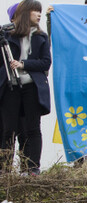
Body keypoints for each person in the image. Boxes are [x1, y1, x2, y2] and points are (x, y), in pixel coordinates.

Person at [0, 0, 51, 175]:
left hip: (32, 86)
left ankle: (32, 169)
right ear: (25, 13)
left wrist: (23, 64)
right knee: (8, 130)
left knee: (32, 129)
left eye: (40, 12)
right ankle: (4, 170)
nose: (38, 15)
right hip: (11, 87)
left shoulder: (41, 36)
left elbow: (46, 62)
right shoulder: (6, 36)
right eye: (35, 11)